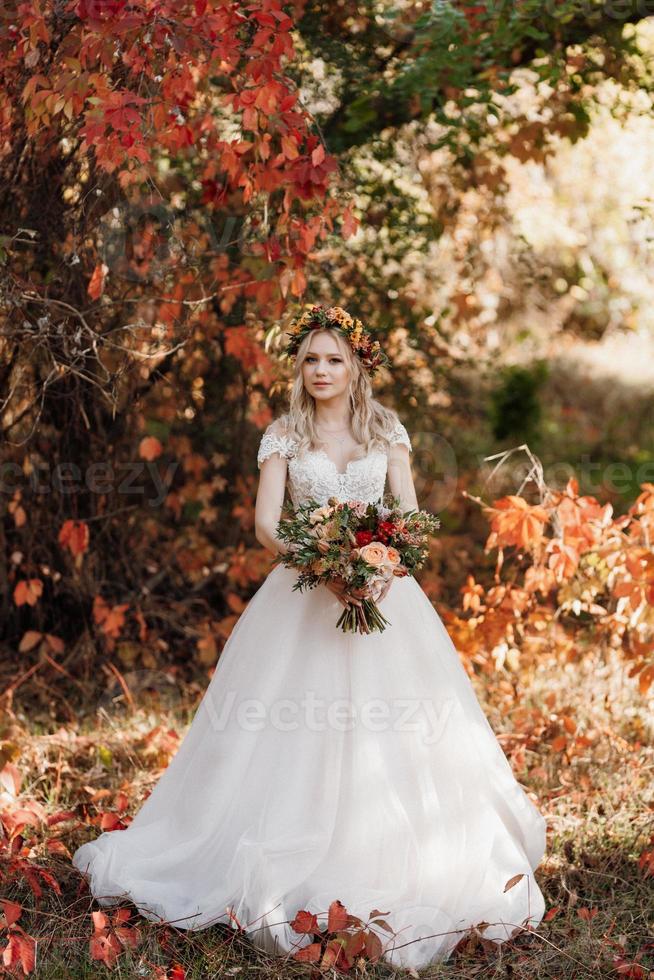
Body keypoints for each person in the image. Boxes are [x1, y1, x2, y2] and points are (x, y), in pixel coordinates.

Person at [72, 305, 547, 971]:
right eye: (311, 361)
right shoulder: (283, 436)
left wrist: (381, 568)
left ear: (357, 369)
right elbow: (269, 525)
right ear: (299, 372)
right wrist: (322, 566)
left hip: (386, 594)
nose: (321, 371)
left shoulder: (387, 430)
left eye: (334, 359)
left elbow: (407, 515)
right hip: (302, 593)